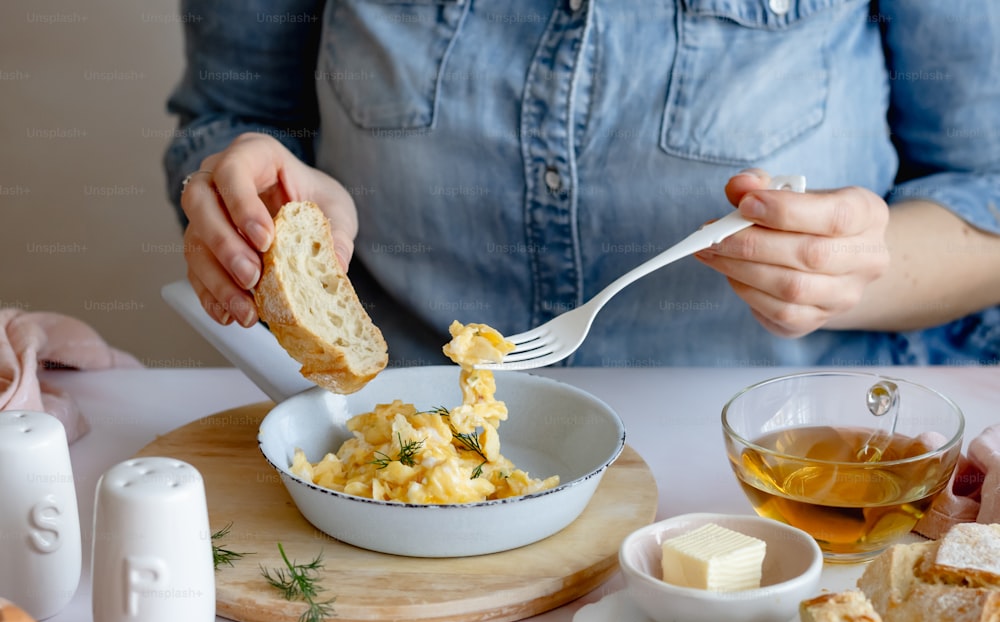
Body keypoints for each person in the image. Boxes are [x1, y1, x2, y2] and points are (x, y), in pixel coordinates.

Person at [164, 0, 1000, 368]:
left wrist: (857, 270)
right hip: (407, 448)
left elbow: (986, 187)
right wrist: (268, 199)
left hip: (779, 463)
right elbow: (233, 117)